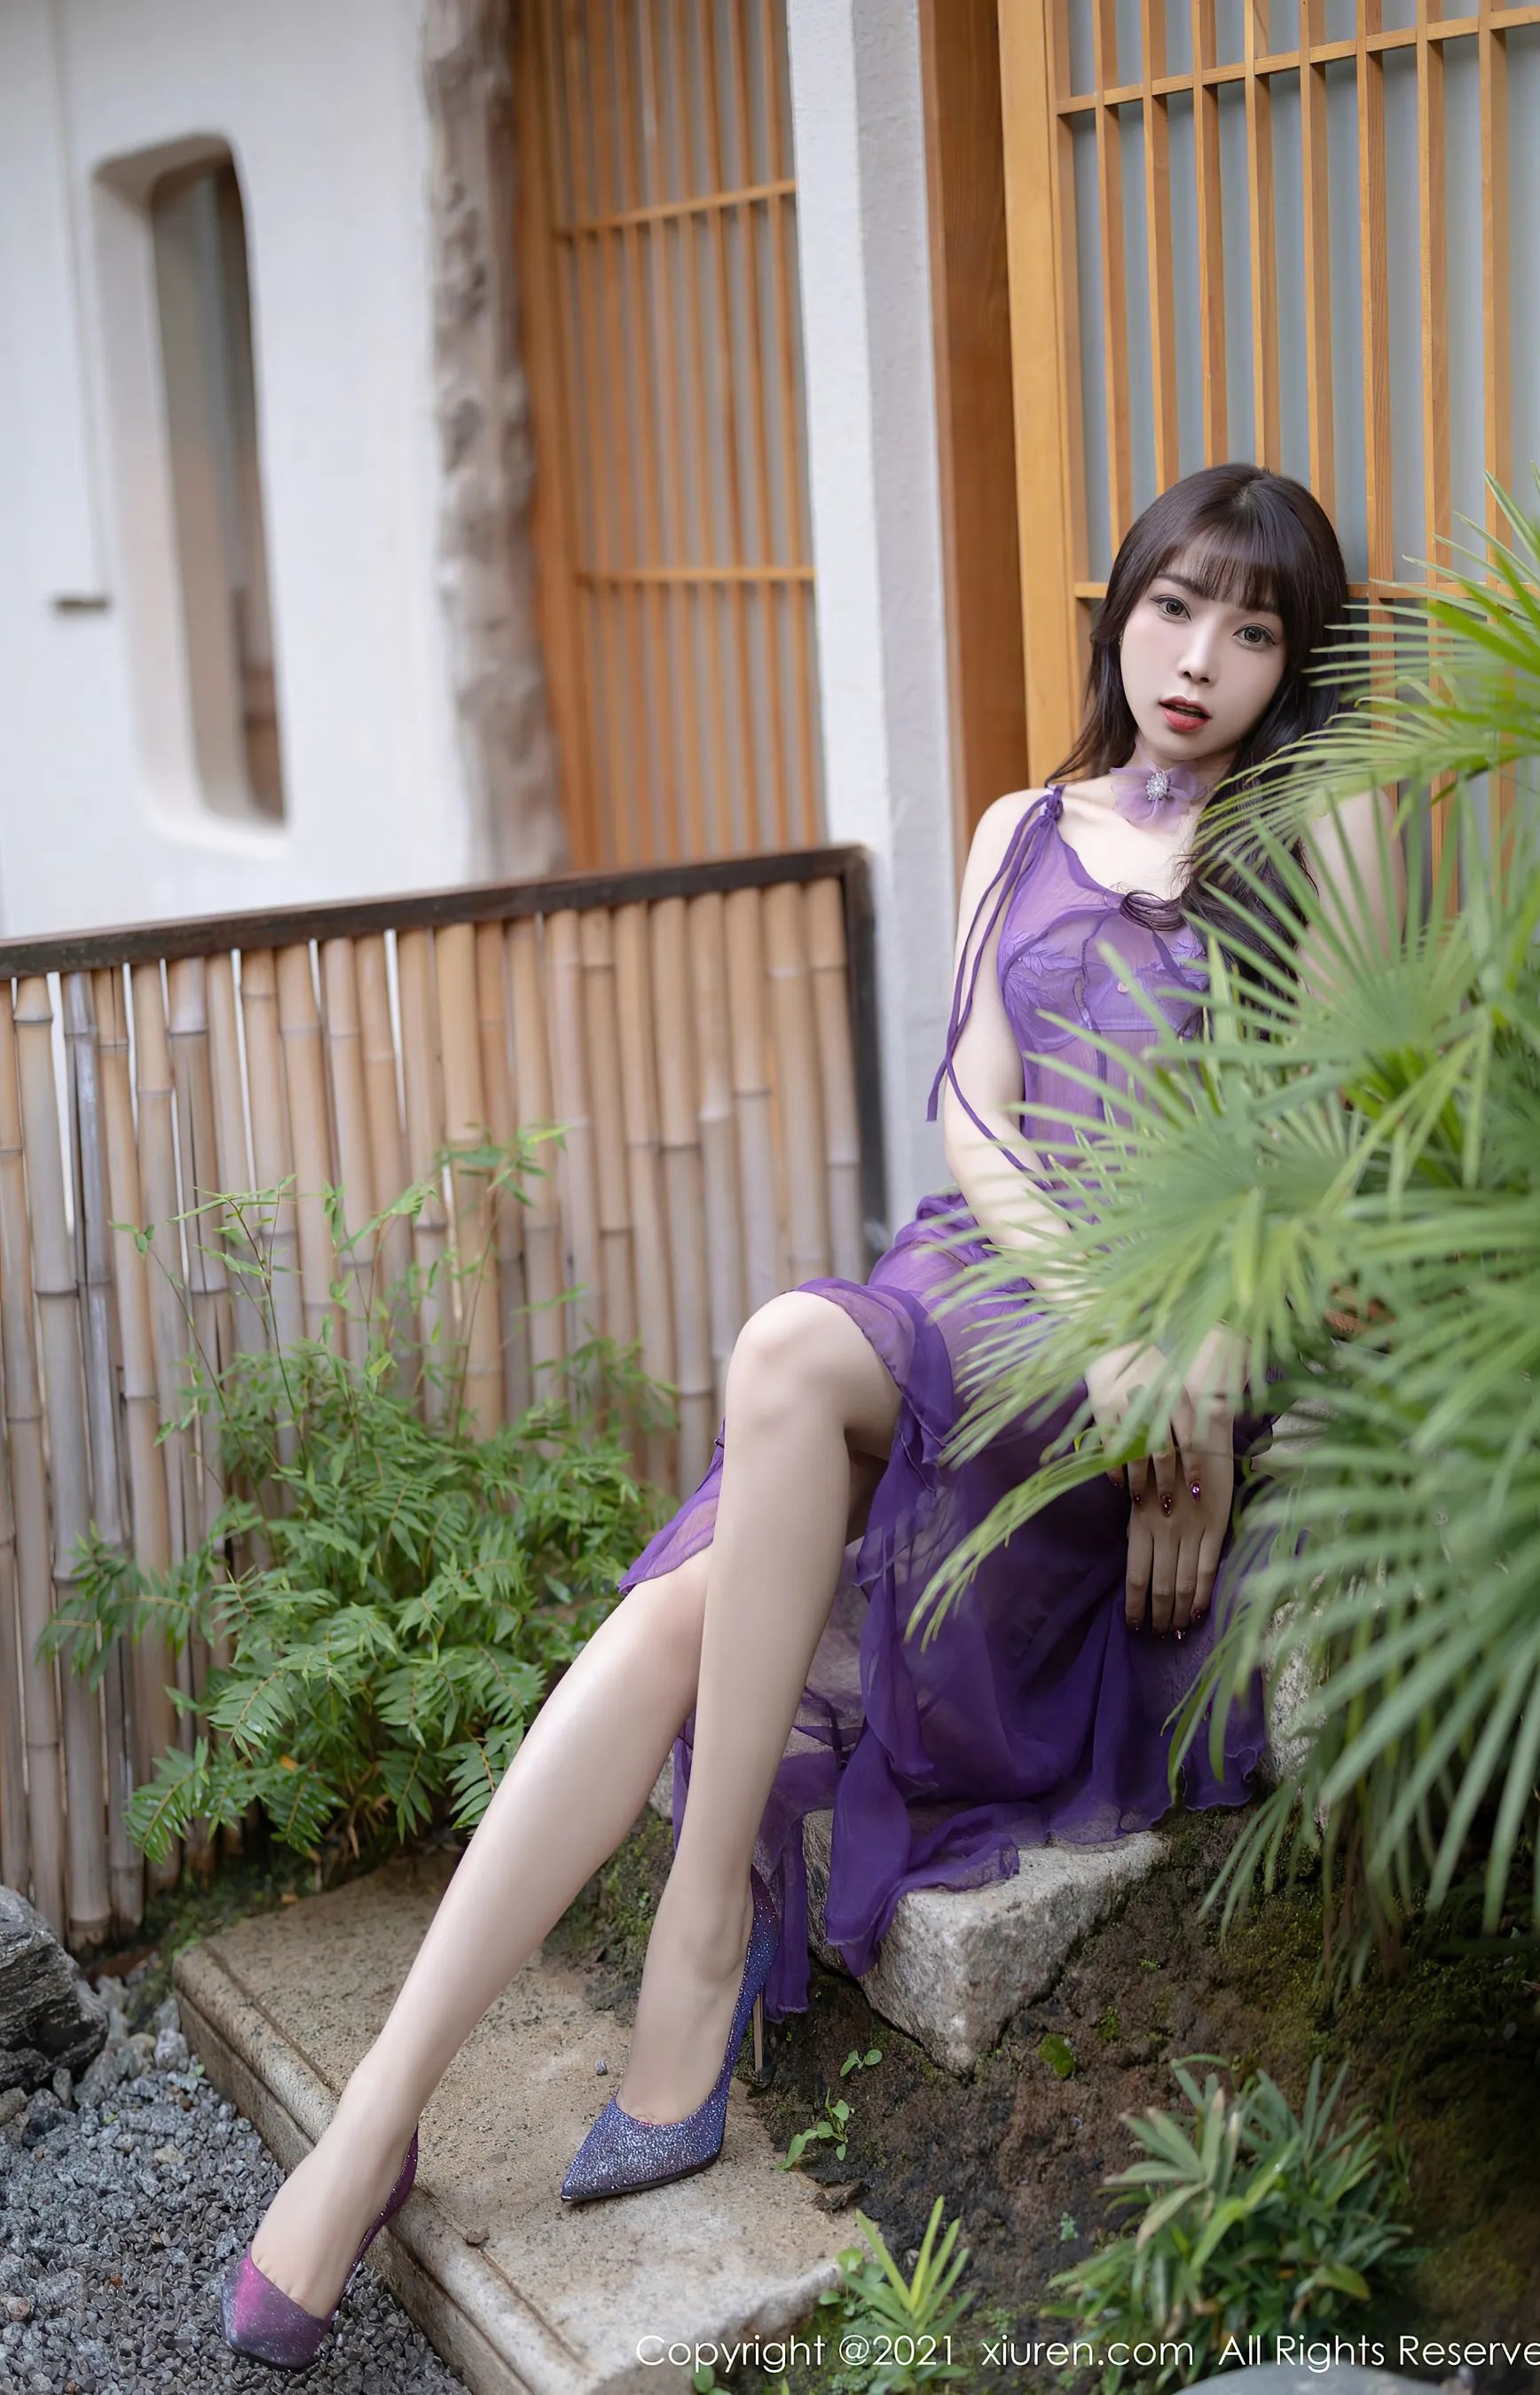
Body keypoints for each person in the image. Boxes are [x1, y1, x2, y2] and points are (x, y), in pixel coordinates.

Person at [222, 460, 1402, 2364]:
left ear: (1297, 662)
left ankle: (611, 2005)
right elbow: (978, 1113)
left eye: (1255, 630)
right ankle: (400, 2104)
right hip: (1009, 1297)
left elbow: (1335, 1142)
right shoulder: (1022, 823)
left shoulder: (1320, 834)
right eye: (1175, 607)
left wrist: (1192, 1363)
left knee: (732, 1482)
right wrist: (1093, 1310)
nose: (1201, 660)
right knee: (762, 1420)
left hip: (1170, 1350)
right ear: (1119, 612)